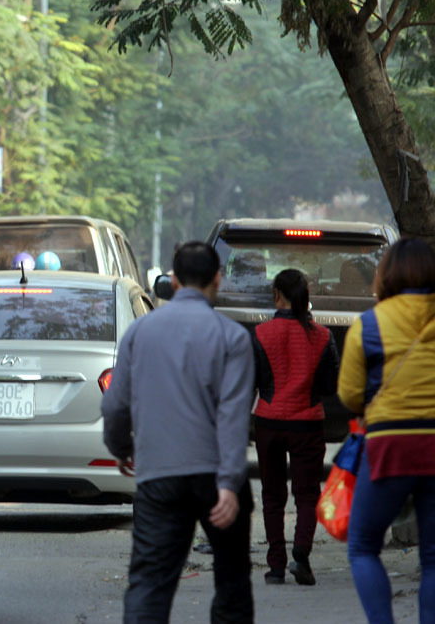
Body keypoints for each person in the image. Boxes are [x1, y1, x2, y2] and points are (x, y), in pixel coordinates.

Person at [102, 241, 255, 623]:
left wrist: (122, 448)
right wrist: (229, 483)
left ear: (173, 280)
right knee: (232, 582)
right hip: (217, 477)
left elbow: (115, 406)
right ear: (218, 278)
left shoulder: (139, 332)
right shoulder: (233, 337)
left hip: (159, 476)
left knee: (150, 583)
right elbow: (234, 417)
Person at [339, 238, 435, 624]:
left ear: (387, 274)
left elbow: (348, 394)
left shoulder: (369, 323)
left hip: (389, 446)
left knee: (363, 545)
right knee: (433, 556)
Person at [252, 268, 339, 586]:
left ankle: (276, 566)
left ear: (277, 295)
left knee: (273, 495)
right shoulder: (323, 336)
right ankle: (301, 552)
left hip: (269, 422)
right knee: (306, 493)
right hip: (307, 423)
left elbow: (252, 382)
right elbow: (330, 385)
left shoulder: (261, 334)